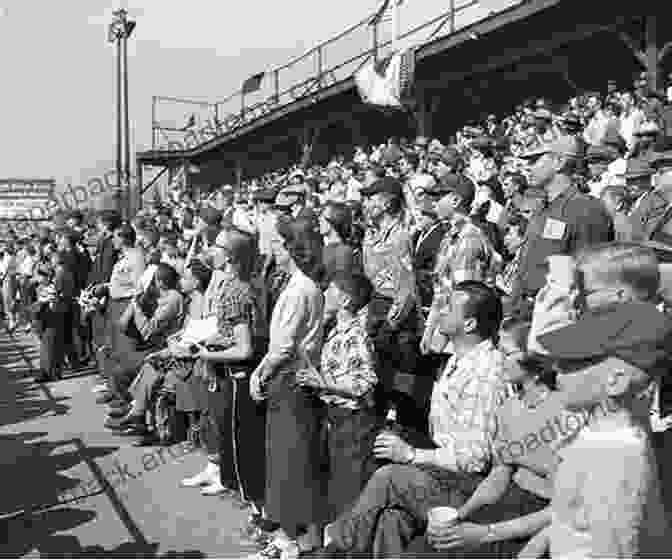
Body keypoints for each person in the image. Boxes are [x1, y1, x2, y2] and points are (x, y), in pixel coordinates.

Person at [320, 282, 514, 558]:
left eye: (450, 308)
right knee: (392, 519)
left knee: (389, 478)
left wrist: (411, 455)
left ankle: (336, 548)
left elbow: (475, 459)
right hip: (445, 476)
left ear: (469, 324)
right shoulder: (458, 360)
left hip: (472, 490)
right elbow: (432, 342)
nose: (442, 311)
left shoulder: (486, 374)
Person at [526, 302, 671, 558]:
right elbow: (573, 517)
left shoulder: (615, 460)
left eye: (572, 361)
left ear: (615, 381)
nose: (556, 369)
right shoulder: (601, 434)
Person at [249, 216, 325, 558]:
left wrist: (259, 374)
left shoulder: (300, 289)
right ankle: (287, 529)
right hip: (290, 379)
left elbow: (283, 347)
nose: (271, 250)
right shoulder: (299, 285)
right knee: (284, 455)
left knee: (290, 458)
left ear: (291, 247)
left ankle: (292, 536)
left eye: (277, 244)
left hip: (291, 379)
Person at [296, 272, 380, 523]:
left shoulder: (355, 336)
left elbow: (365, 383)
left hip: (354, 421)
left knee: (350, 487)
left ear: (344, 300)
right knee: (339, 483)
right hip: (339, 417)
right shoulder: (336, 329)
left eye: (330, 290)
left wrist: (323, 383)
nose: (324, 294)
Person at [513, 136, 614, 307]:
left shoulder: (585, 209)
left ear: (559, 162)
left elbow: (591, 275)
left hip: (560, 314)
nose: (527, 168)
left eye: (535, 161)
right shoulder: (543, 208)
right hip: (530, 311)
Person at [360, 176, 422, 431]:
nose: (366, 203)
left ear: (387, 203)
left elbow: (406, 290)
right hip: (376, 308)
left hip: (395, 318)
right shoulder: (372, 235)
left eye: (372, 198)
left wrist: (390, 325)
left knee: (399, 385)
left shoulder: (399, 237)